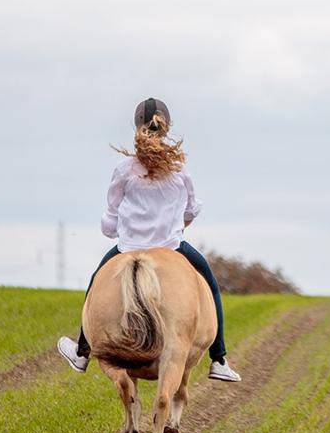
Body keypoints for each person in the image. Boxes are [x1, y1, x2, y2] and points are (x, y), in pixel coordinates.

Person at [57, 98, 241, 382]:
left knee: (96, 282)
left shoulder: (123, 169)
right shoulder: (180, 169)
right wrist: (175, 225)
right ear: (167, 129)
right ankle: (219, 359)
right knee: (210, 282)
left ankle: (82, 352)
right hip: (172, 248)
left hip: (127, 248)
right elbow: (192, 210)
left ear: (136, 126)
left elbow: (109, 222)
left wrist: (123, 229)